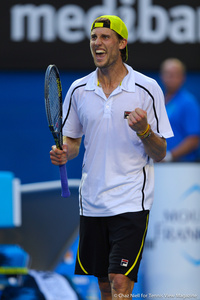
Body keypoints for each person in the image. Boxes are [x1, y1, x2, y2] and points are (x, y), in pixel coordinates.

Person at [50, 15, 173, 300]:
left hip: (131, 200)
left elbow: (161, 152)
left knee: (120, 282)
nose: (97, 43)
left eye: (105, 37)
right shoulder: (79, 90)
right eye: (94, 38)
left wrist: (144, 131)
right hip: (92, 202)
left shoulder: (147, 89)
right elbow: (73, 143)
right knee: (104, 284)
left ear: (121, 43)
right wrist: (63, 153)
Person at [160, 58, 200, 162]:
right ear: (161, 76)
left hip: (182, 165)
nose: (170, 78)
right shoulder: (158, 101)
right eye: (167, 74)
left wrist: (169, 156)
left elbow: (194, 139)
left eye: (175, 74)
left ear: (183, 77)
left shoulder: (188, 103)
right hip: (160, 164)